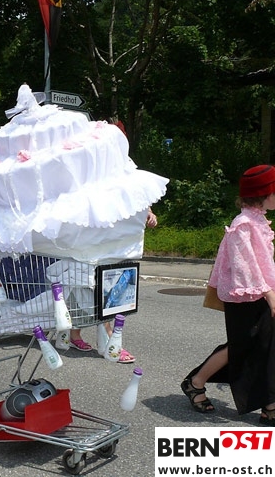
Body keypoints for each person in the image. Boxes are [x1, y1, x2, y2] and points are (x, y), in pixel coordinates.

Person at [181, 164, 275, 424]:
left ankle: (269, 404)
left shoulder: (258, 220)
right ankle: (195, 382)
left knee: (264, 345)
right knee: (242, 345)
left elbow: (264, 262)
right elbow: (246, 265)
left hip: (260, 292)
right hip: (243, 295)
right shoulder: (243, 224)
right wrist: (269, 294)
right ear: (263, 194)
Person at [62, 207, 158, 362]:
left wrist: (148, 212)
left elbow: (137, 199)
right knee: (90, 292)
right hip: (90, 244)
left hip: (111, 246)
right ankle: (108, 342)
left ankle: (80, 336)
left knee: (96, 292)